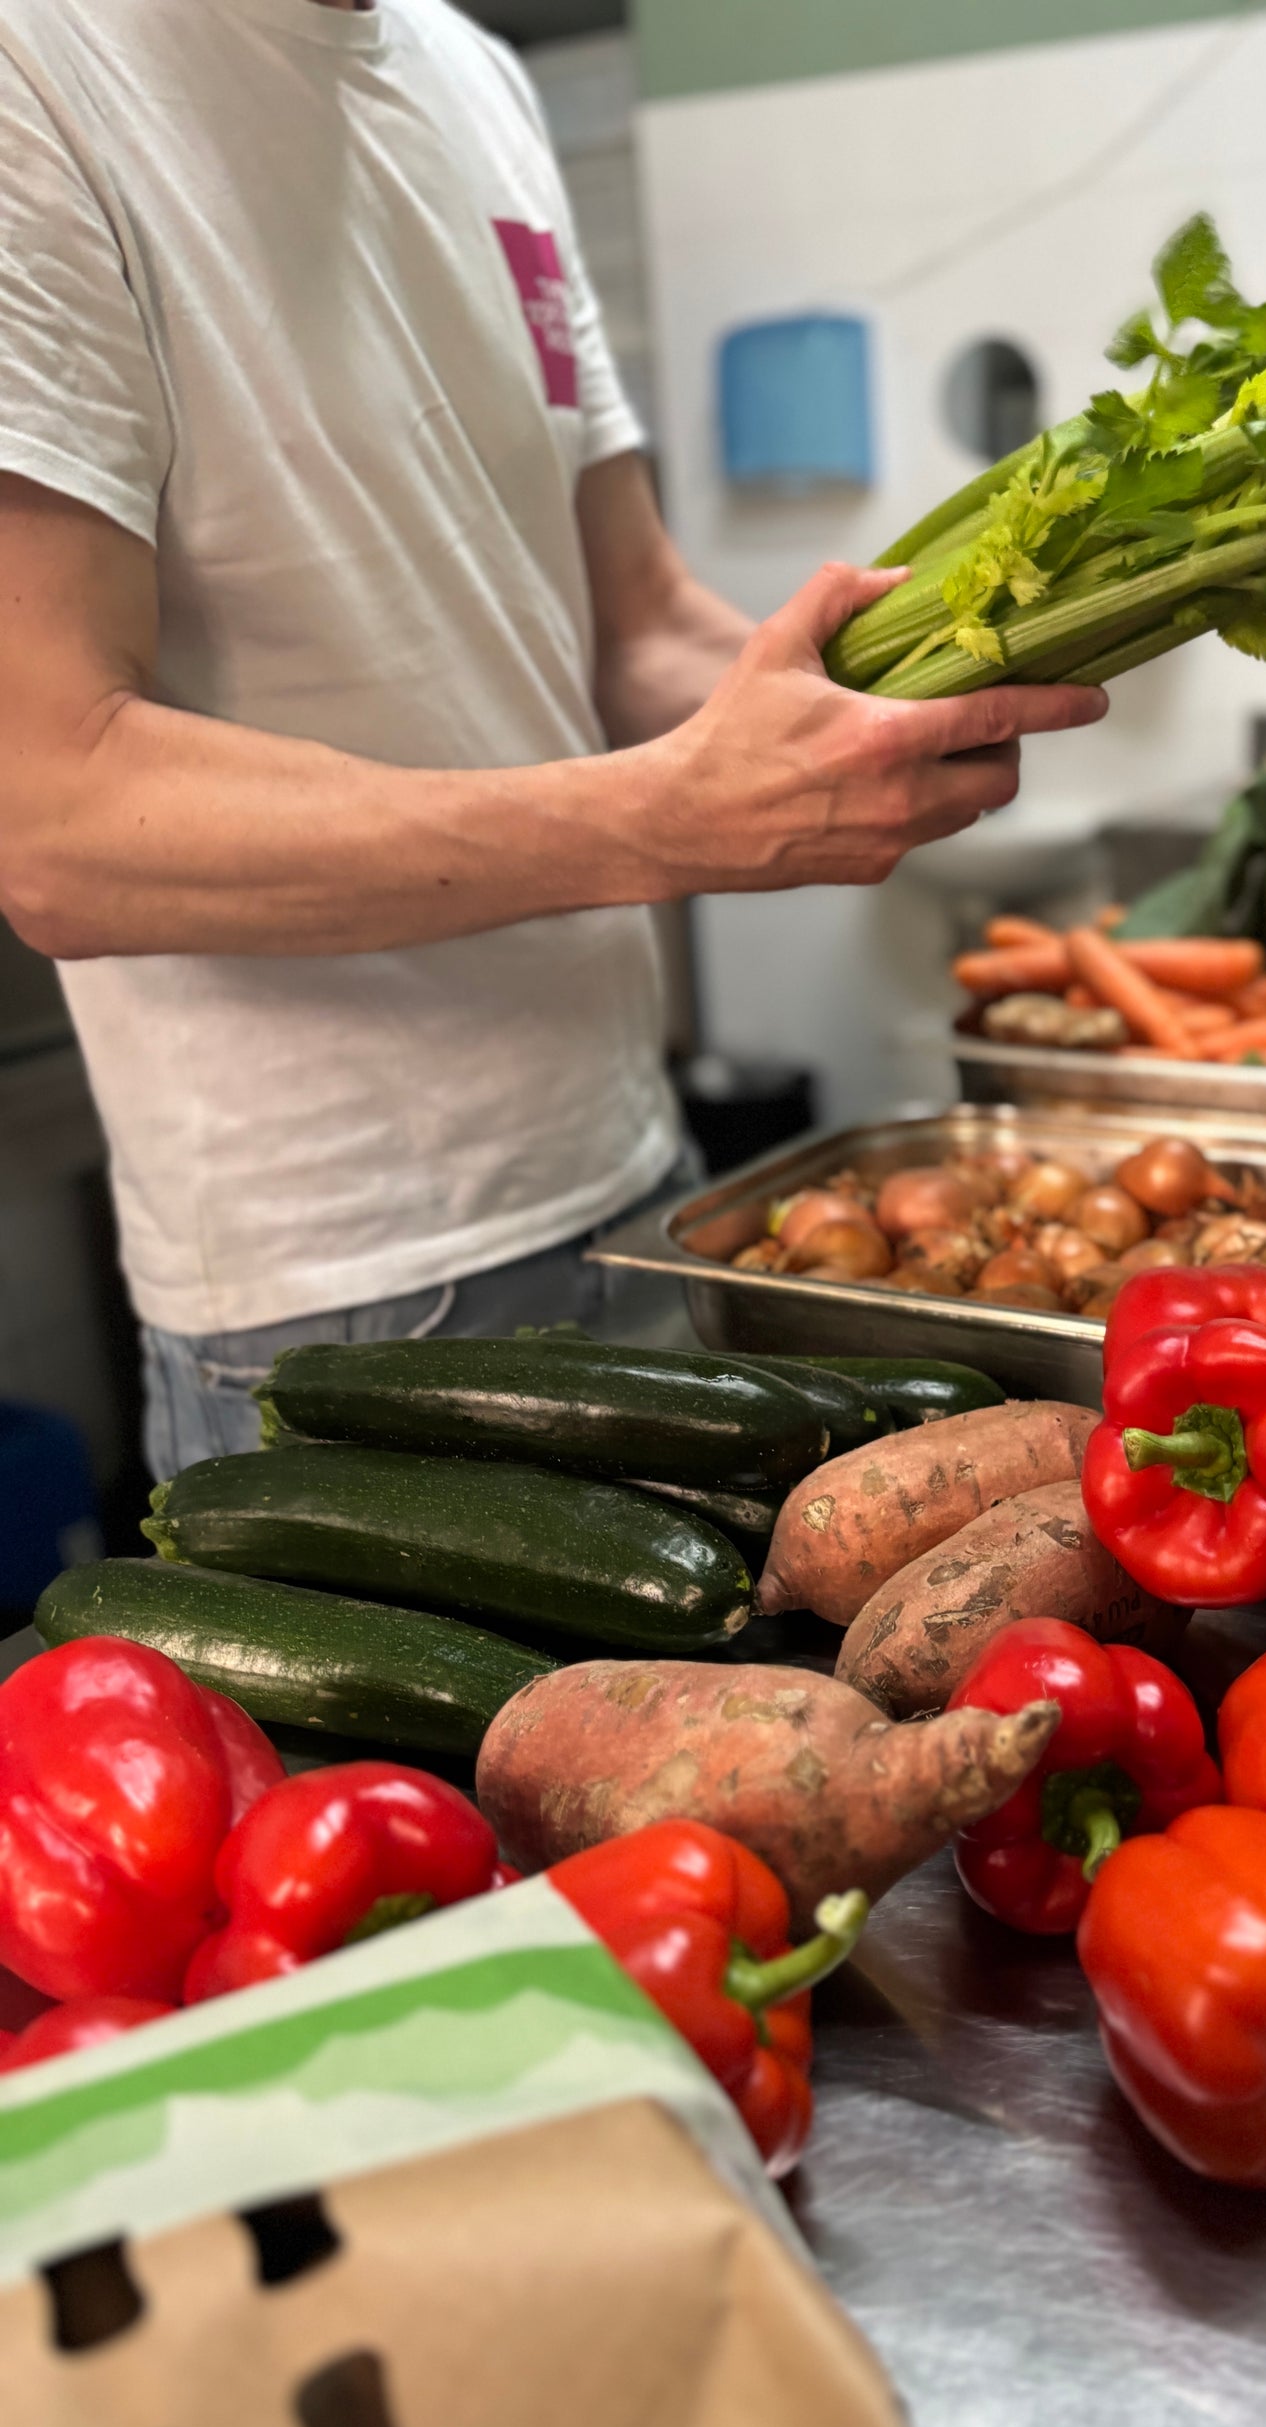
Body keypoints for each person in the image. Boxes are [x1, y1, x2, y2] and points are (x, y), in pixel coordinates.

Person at [0, 0, 1104, 1480]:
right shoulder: (42, 72)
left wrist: (924, 683)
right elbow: (56, 819)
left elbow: (634, 622)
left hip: (637, 1178)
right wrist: (668, 821)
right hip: (345, 1286)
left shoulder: (472, 75)